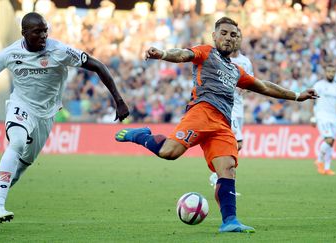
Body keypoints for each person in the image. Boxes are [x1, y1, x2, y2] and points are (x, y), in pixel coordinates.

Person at [115, 17, 318, 233]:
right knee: (168, 153)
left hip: (222, 124)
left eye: (233, 35)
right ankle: (140, 135)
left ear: (237, 40)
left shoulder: (236, 71)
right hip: (201, 112)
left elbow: (264, 86)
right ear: (214, 35)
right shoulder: (205, 52)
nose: (228, 38)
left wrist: (297, 95)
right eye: (224, 33)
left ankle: (230, 221)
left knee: (228, 169)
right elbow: (183, 54)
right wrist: (163, 54)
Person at [0, 12, 129, 226]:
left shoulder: (59, 51)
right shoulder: (9, 54)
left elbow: (98, 66)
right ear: (24, 33)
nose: (43, 35)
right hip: (20, 106)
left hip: (46, 115)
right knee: (16, 142)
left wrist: (118, 100)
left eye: (45, 31)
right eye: (37, 31)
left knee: (18, 171)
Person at [209, 27, 254, 189]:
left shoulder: (245, 62)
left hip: (239, 108)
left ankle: (220, 175)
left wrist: (245, 88)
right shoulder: (220, 58)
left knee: (237, 144)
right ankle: (218, 176)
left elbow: (252, 84)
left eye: (237, 37)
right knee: (238, 143)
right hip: (227, 107)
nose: (235, 39)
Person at [312, 61, 336, 175]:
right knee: (329, 139)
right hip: (322, 116)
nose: (331, 74)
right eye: (329, 71)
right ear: (325, 72)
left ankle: (326, 168)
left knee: (331, 143)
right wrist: (313, 116)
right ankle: (318, 160)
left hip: (333, 117)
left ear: (335, 73)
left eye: (333, 72)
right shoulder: (319, 85)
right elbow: (312, 101)